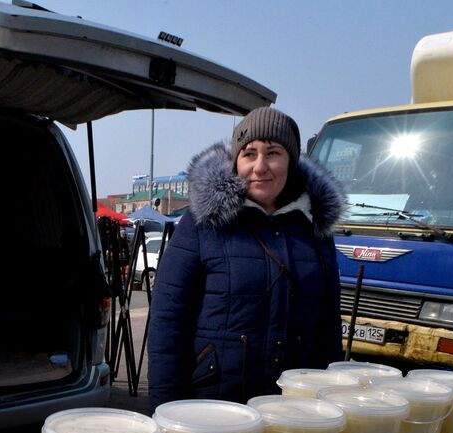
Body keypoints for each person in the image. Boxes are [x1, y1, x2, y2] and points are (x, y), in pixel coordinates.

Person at [146, 107, 343, 407]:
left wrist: (329, 402)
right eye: (249, 154)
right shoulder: (202, 223)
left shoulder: (315, 230)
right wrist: (165, 410)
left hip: (295, 412)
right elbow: (166, 323)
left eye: (273, 153)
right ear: (236, 161)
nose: (260, 167)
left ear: (291, 160)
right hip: (214, 408)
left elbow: (327, 331)